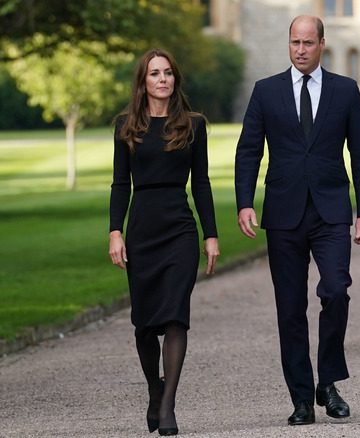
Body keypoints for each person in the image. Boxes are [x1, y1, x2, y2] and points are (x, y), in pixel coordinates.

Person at [234, 15, 360, 426]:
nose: (300, 49)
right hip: (283, 213)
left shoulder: (345, 90)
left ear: (322, 44)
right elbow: (248, 152)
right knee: (290, 308)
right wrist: (245, 202)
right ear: (289, 44)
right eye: (295, 42)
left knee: (335, 292)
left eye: (308, 42)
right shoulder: (265, 92)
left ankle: (328, 382)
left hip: (331, 212)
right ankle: (300, 398)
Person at [109, 49, 219, 436]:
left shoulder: (193, 124)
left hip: (179, 231)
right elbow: (120, 183)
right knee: (143, 326)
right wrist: (115, 232)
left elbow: (202, 183)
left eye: (168, 73)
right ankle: (154, 391)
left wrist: (210, 235)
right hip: (141, 230)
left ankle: (168, 404)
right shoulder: (126, 125)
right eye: (154, 73)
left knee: (175, 317)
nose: (162, 79)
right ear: (143, 81)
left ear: (175, 80)